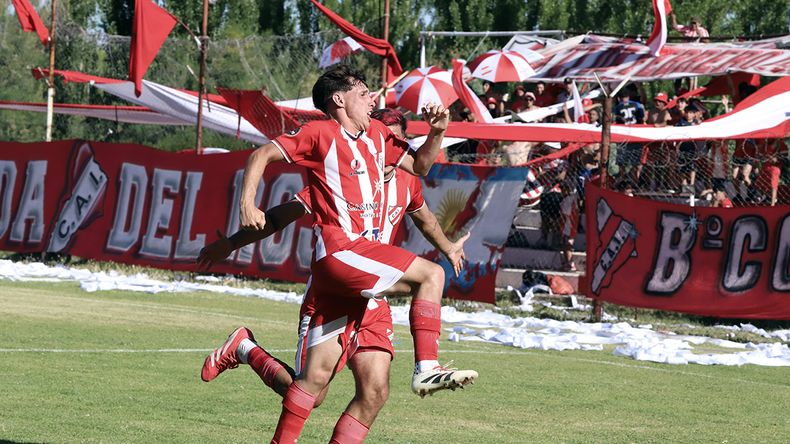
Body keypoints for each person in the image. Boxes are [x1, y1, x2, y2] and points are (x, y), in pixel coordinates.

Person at [234, 66, 476, 443]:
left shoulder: (377, 134)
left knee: (317, 384)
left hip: (360, 272)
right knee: (432, 275)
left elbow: (421, 166)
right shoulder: (319, 133)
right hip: (340, 251)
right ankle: (427, 367)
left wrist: (438, 131)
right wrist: (247, 204)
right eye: (363, 93)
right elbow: (262, 154)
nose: (372, 99)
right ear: (339, 99)